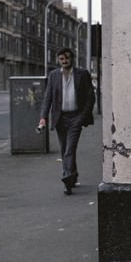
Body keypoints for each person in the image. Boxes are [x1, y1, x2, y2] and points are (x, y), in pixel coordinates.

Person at [39, 47, 95, 195]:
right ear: (59, 60)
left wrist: (83, 116)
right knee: (65, 149)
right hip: (60, 118)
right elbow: (48, 98)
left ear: (72, 59)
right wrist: (43, 117)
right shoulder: (53, 76)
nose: (64, 61)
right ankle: (73, 174)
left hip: (76, 117)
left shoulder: (82, 75)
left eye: (67, 59)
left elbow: (90, 97)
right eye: (61, 59)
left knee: (70, 149)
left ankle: (67, 179)